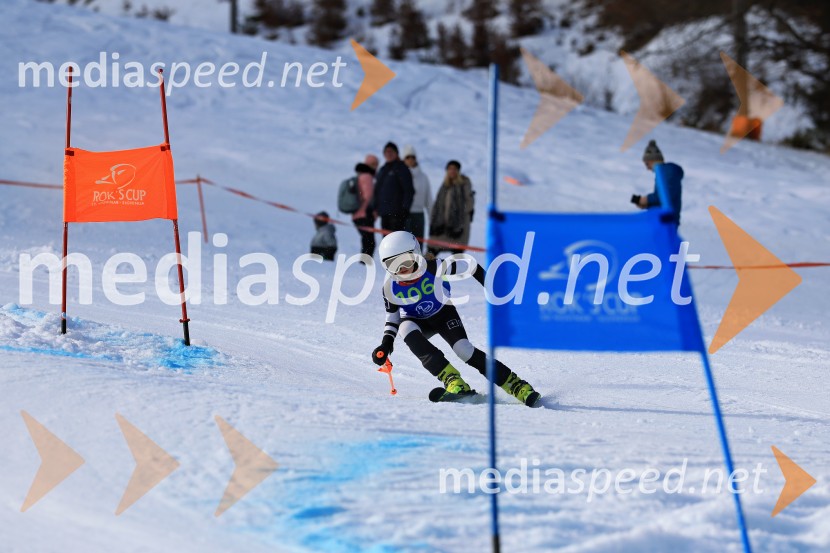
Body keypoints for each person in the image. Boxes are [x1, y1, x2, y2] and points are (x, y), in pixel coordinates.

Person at [371, 231, 541, 407]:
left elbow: (471, 267)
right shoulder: (390, 288)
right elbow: (392, 320)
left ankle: (515, 384)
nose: (401, 270)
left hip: (443, 313)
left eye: (405, 261)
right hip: (416, 321)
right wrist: (385, 344)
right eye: (393, 265)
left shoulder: (435, 267)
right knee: (405, 328)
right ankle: (453, 381)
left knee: (464, 350)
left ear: (416, 255)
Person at [631, 140, 683, 225]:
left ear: (653, 160)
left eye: (647, 164)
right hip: (663, 221)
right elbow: (664, 199)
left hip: (667, 223)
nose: (647, 168)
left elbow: (668, 194)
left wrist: (647, 199)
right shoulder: (665, 173)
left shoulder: (669, 171)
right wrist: (648, 204)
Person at [428, 160, 474, 256]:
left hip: (458, 228)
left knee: (456, 260)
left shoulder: (464, 185)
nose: (452, 171)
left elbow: (469, 204)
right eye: (450, 169)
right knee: (430, 254)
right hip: (441, 228)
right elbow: (437, 205)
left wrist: (462, 223)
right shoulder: (444, 186)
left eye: (454, 169)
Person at [373, 142, 415, 232]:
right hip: (384, 213)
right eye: (386, 152)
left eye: (391, 151)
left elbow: (409, 190)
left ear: (396, 153)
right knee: (387, 242)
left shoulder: (402, 168)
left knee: (396, 242)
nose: (389, 154)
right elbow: (377, 190)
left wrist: (405, 209)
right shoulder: (382, 170)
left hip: (397, 213)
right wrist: (375, 207)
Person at [402, 145, 431, 249]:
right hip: (404, 214)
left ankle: (419, 264)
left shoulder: (423, 177)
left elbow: (428, 199)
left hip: (418, 215)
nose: (410, 160)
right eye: (407, 157)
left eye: (412, 157)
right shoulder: (400, 175)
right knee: (405, 245)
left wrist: (431, 215)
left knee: (418, 244)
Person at [353, 154, 379, 258]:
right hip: (365, 214)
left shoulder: (360, 176)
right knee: (369, 243)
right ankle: (364, 268)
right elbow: (368, 196)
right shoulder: (367, 177)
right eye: (373, 164)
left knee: (366, 241)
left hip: (357, 215)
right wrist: (373, 211)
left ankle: (363, 265)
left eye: (376, 164)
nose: (375, 166)